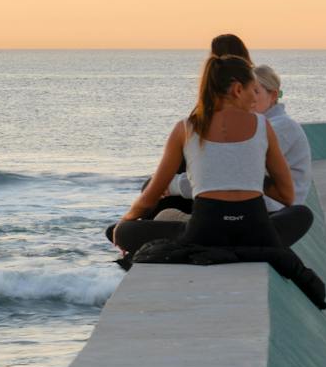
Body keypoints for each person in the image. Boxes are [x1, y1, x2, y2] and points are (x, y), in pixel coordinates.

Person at [116, 53, 294, 250]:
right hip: (253, 231)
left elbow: (151, 196)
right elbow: (287, 196)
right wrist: (244, 172)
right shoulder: (263, 125)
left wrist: (125, 221)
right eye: (253, 90)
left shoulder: (185, 128)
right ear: (237, 90)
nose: (253, 98)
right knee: (301, 214)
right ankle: (240, 247)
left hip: (203, 235)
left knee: (122, 232)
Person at [250, 63, 313, 246]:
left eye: (256, 91)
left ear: (273, 95)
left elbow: (241, 167)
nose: (250, 98)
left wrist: (175, 185)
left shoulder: (282, 127)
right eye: (245, 92)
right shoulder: (262, 125)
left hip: (275, 209)